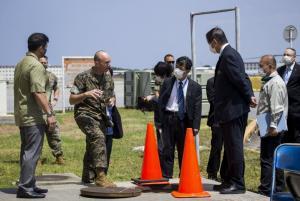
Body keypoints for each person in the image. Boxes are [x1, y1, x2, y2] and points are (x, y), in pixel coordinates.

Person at [206, 27, 256, 194]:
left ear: (214, 41)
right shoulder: (227, 55)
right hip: (229, 110)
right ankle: (228, 180)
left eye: (210, 44)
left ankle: (238, 183)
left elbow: (240, 78)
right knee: (229, 147)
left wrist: (250, 96)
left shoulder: (229, 55)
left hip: (234, 110)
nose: (210, 47)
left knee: (234, 147)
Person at [14, 33, 56, 198]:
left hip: (22, 113)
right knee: (32, 152)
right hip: (32, 115)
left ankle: (28, 183)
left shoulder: (21, 63)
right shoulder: (36, 65)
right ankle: (25, 187)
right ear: (41, 47)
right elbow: (38, 92)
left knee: (26, 150)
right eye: (45, 47)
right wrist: (50, 114)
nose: (45, 50)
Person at [69, 50, 116, 187]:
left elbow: (110, 96)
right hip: (84, 114)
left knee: (92, 144)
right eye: (106, 62)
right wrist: (86, 94)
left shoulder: (108, 77)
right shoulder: (82, 77)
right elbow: (72, 100)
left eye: (109, 62)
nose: (109, 64)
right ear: (97, 62)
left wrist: (111, 100)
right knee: (98, 137)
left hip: (100, 115)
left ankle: (87, 177)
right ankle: (101, 176)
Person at [158, 56, 202, 178]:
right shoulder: (167, 82)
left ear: (187, 71)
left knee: (184, 150)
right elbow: (161, 103)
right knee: (167, 149)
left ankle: (184, 176)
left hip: (184, 121)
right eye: (176, 66)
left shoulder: (195, 87)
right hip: (169, 118)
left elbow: (197, 108)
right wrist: (159, 122)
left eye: (181, 68)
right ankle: (166, 176)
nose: (177, 70)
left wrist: (196, 126)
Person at [256, 55, 288, 196]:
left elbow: (277, 107)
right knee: (274, 158)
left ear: (270, 65)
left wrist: (274, 126)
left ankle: (267, 188)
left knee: (268, 158)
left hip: (272, 125)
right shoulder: (270, 81)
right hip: (267, 122)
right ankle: (278, 188)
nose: (260, 68)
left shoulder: (275, 82)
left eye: (262, 65)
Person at [144, 61, 173, 166]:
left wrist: (153, 98)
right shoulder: (167, 83)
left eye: (157, 74)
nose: (156, 77)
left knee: (163, 147)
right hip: (161, 121)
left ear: (163, 74)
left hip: (164, 121)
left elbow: (164, 102)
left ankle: (163, 171)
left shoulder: (168, 84)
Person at [39, 56, 65, 165]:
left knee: (54, 133)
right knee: (36, 135)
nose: (44, 64)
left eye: (45, 62)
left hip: (49, 110)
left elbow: (57, 88)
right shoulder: (32, 76)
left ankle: (59, 157)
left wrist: (55, 99)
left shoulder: (51, 76)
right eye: (42, 62)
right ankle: (37, 160)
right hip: (35, 111)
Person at [277, 48, 300, 143]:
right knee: (283, 136)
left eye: (288, 55)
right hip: (282, 109)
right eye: (284, 54)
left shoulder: (299, 70)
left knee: (296, 135)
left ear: (294, 57)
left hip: (296, 109)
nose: (285, 56)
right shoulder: (280, 70)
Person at [206, 76, 223, 181]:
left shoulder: (232, 80)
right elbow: (213, 100)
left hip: (230, 120)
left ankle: (226, 174)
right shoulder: (211, 81)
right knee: (216, 147)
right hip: (217, 120)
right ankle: (212, 172)